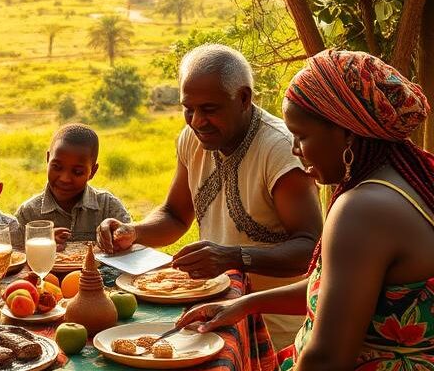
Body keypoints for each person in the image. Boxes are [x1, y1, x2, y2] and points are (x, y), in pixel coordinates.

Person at [178, 50, 434, 369]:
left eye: (301, 136)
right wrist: (245, 305)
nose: (296, 150)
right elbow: (337, 292)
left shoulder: (362, 210)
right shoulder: (407, 180)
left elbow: (326, 358)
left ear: (347, 133)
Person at [97, 44, 323, 348]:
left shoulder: (279, 151)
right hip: (215, 317)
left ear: (243, 98)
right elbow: (175, 216)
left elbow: (311, 249)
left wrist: (233, 257)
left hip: (278, 330)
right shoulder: (193, 138)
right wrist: (134, 232)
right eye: (188, 108)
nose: (197, 121)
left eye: (210, 109)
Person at [16, 123, 131, 248]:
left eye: (77, 172)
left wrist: (120, 239)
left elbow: (131, 246)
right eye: (57, 167)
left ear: (92, 172)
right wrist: (40, 246)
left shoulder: (108, 207)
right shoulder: (28, 213)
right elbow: (15, 257)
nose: (65, 179)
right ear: (48, 159)